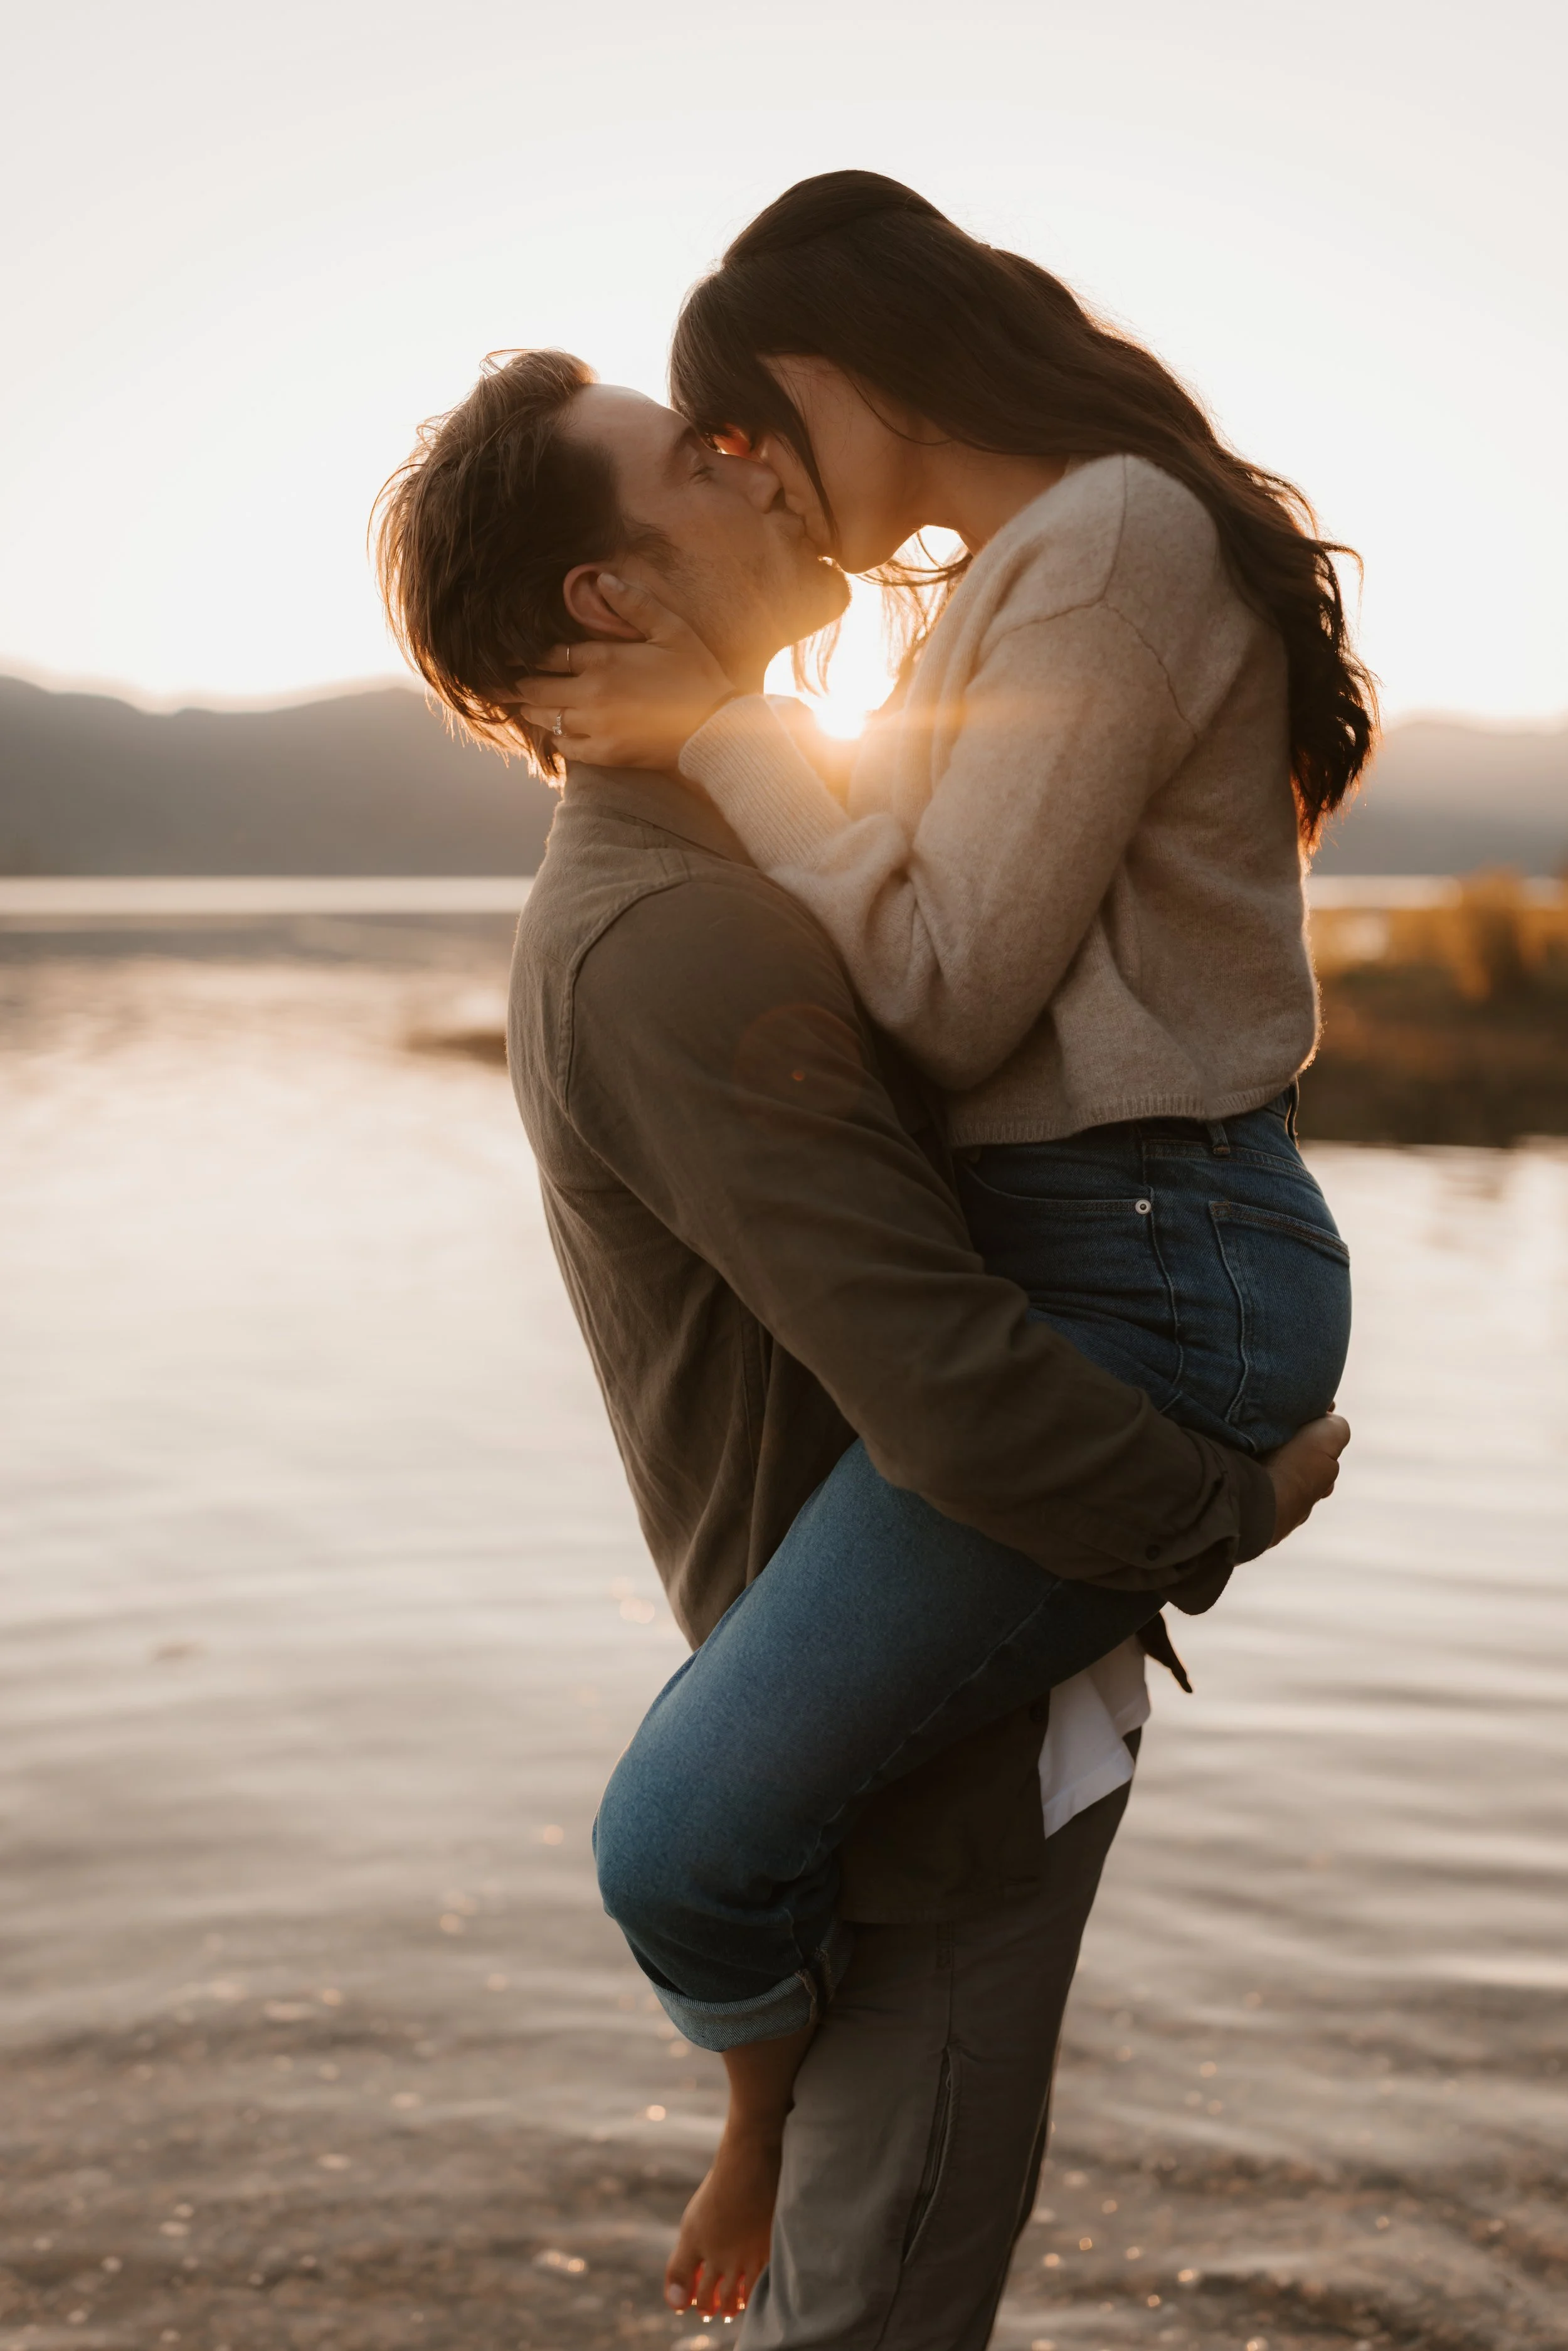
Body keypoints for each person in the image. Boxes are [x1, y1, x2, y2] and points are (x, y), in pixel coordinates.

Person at [373, 346, 1348, 2344]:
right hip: (923, 1771)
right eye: (686, 460)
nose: (744, 463)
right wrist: (1222, 1501)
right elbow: (946, 1373)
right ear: (610, 597)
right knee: (878, 2309)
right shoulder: (676, 932)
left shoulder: (744, 856)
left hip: (911, 1695)